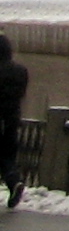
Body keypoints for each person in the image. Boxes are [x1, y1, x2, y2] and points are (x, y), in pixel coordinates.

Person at [0, 32, 27, 207]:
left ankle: (13, 180)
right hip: (11, 119)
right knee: (7, 154)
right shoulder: (21, 71)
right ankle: (14, 181)